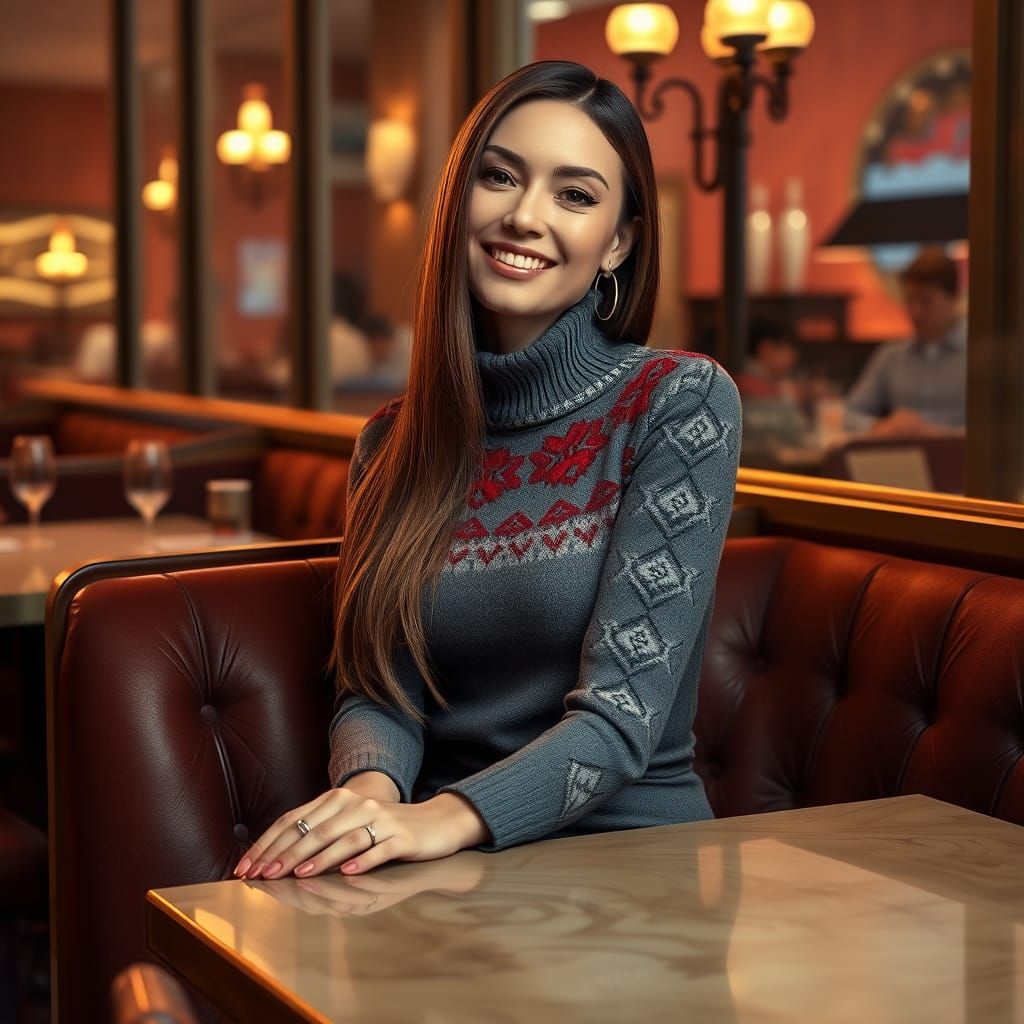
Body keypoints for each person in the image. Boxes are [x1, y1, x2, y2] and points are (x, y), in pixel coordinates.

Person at [235, 60, 741, 881]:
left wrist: (441, 819)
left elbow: (619, 723)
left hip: (633, 863)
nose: (525, 216)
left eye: (575, 195)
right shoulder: (390, 444)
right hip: (435, 865)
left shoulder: (679, 403)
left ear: (618, 241)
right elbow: (379, 689)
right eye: (500, 177)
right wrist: (368, 800)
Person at [843, 248, 967, 436]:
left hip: (963, 461)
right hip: (900, 460)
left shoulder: (981, 352)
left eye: (926, 301)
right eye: (910, 301)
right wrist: (881, 427)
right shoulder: (891, 356)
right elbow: (848, 414)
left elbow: (1001, 428)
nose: (915, 312)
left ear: (954, 297)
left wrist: (935, 433)